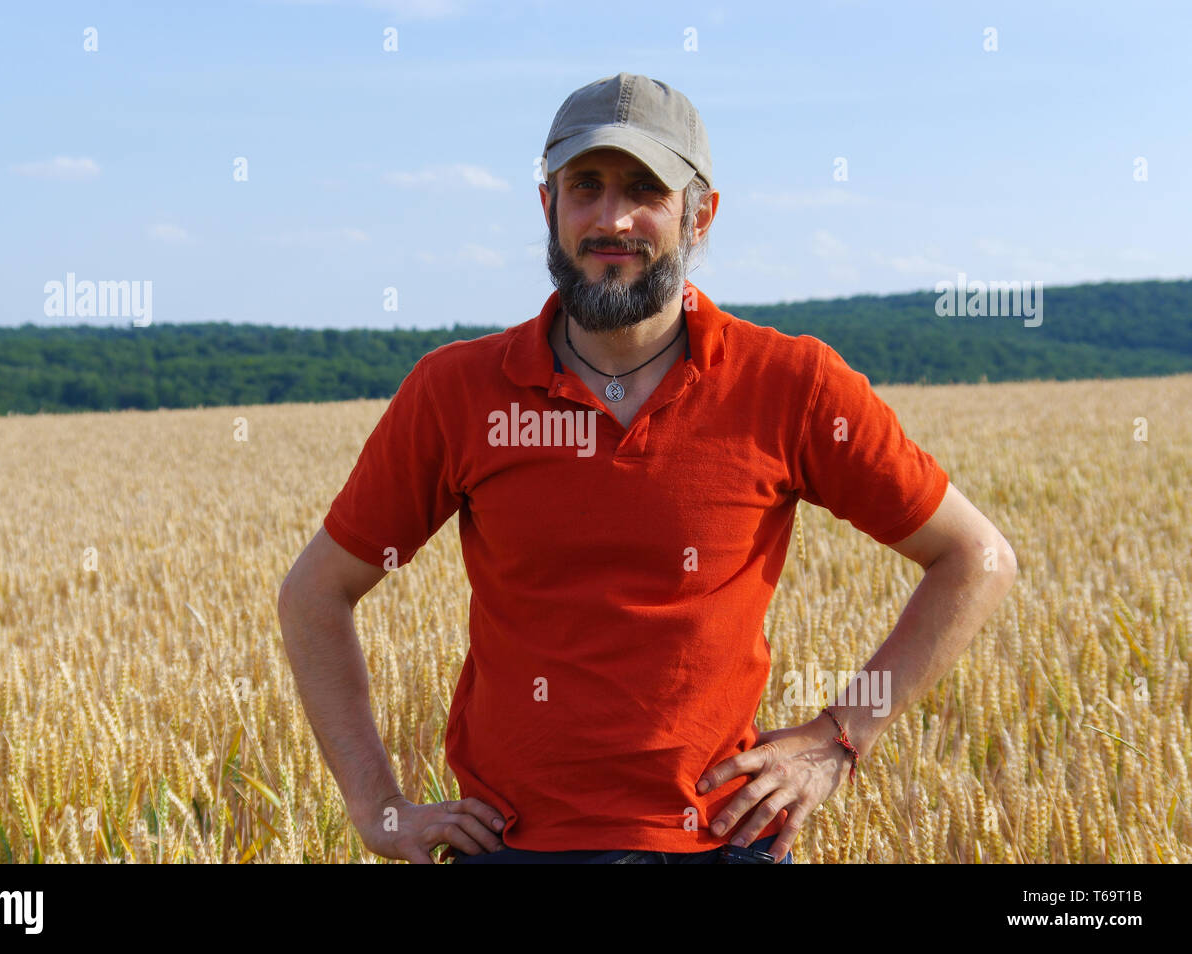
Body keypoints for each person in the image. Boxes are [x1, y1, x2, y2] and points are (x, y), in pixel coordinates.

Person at [277, 72, 1017, 865]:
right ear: (547, 206)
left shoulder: (792, 384)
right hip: (519, 851)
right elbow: (316, 593)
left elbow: (976, 559)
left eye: (645, 189)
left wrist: (838, 739)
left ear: (701, 214)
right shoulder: (456, 392)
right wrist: (378, 808)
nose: (612, 218)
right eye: (585, 187)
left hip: (725, 845)